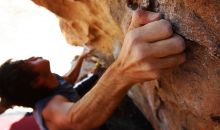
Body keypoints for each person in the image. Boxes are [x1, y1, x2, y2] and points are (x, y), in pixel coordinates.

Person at [0, 10, 185, 130]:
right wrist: (123, 70)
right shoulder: (49, 109)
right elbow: (75, 119)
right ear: (36, 81)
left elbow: (69, 79)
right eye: (28, 63)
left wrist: (82, 57)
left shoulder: (52, 81)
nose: (33, 57)